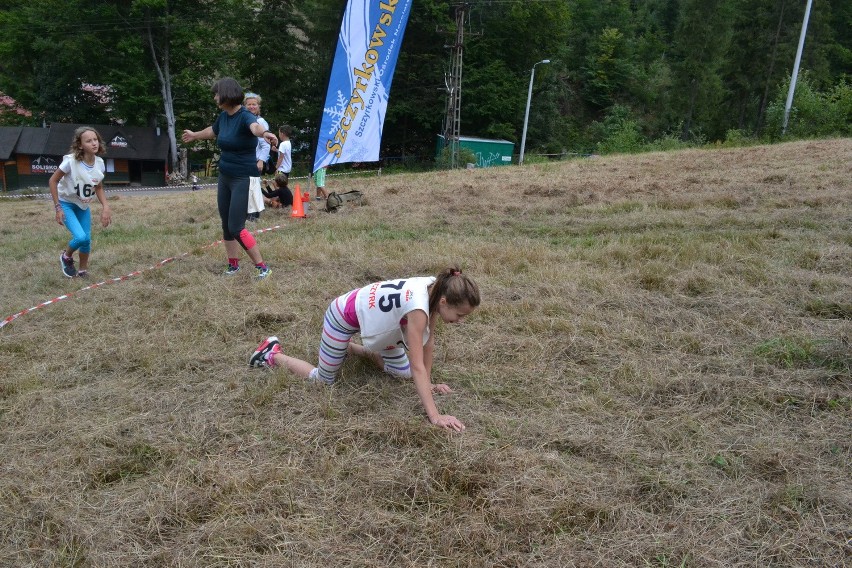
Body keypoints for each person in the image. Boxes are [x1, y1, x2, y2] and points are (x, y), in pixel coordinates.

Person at [249, 266, 481, 432]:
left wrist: (429, 384)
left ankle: (349, 348)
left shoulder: (435, 288)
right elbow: (418, 364)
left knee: (402, 372)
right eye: (460, 315)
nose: (460, 321)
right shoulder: (419, 308)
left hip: (382, 327)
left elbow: (427, 344)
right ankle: (271, 353)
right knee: (323, 380)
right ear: (444, 302)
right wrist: (435, 415)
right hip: (341, 316)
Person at [181, 77, 278, 279]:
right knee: (226, 225)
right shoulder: (224, 116)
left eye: (216, 93)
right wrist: (194, 135)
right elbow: (213, 131)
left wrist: (266, 133)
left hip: (243, 177)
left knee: (236, 227)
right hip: (225, 176)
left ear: (225, 94)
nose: (215, 97)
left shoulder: (245, 116)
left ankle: (263, 267)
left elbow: (255, 128)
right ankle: (233, 265)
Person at [49, 126, 113, 279]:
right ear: (80, 145)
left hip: (83, 206)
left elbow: (98, 186)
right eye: (89, 141)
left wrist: (106, 207)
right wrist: (58, 207)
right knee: (80, 237)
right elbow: (53, 180)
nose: (94, 143)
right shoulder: (70, 162)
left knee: (87, 241)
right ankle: (66, 256)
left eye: (95, 140)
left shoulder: (100, 163)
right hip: (67, 203)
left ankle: (82, 270)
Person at [244, 92, 268, 222]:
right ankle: (249, 212)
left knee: (253, 187)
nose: (251, 106)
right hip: (245, 159)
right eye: (249, 104)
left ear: (258, 106)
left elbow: (266, 145)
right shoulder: (244, 120)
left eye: (254, 104)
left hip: (255, 160)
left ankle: (254, 215)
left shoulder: (260, 121)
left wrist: (261, 160)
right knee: (248, 187)